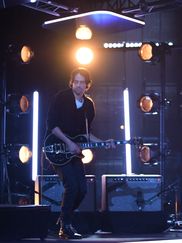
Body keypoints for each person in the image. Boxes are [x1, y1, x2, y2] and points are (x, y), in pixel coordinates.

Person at [46, 67, 114, 239]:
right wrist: (69, 143)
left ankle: (63, 220)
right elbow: (52, 125)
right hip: (56, 148)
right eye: (75, 82)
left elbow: (86, 134)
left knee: (83, 189)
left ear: (87, 85)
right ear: (71, 82)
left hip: (75, 151)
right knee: (72, 186)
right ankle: (65, 227)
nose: (77, 85)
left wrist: (103, 143)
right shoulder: (61, 98)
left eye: (81, 82)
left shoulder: (89, 106)